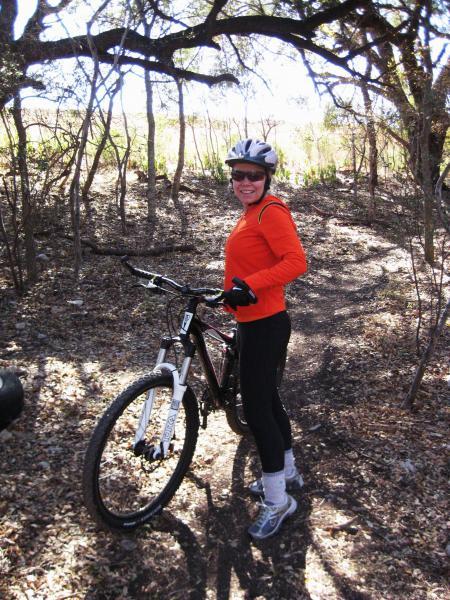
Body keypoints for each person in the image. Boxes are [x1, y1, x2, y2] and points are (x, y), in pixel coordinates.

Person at [222, 138, 307, 540]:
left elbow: (297, 261)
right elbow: (250, 262)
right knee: (269, 401)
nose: (245, 181)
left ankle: (277, 501)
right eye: (238, 174)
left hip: (266, 322)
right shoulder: (249, 213)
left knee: (256, 410)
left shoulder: (270, 212)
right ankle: (287, 471)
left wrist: (251, 286)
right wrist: (234, 295)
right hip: (253, 319)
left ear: (267, 178)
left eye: (254, 175)